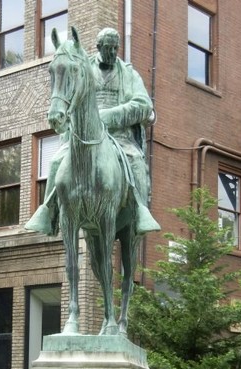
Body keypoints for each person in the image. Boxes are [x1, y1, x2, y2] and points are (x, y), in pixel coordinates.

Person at [26, 27, 160, 236]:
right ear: (98, 47)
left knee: (136, 162)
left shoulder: (128, 73)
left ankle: (141, 211)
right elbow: (68, 93)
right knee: (55, 162)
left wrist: (108, 116)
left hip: (119, 137)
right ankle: (49, 213)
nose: (112, 52)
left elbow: (143, 105)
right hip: (82, 135)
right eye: (108, 47)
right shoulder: (83, 67)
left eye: (116, 47)